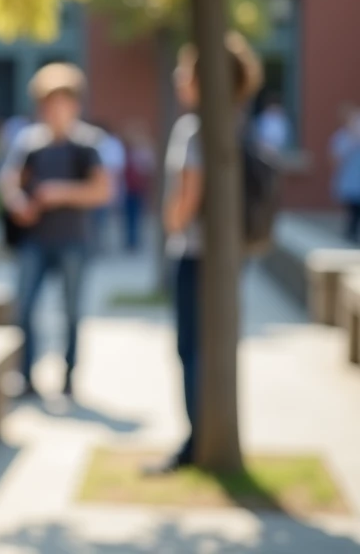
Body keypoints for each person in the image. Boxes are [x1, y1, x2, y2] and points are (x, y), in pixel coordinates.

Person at [152, 31, 262, 473]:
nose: (179, 76)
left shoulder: (194, 127)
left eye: (185, 70)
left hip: (195, 254)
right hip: (233, 256)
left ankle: (196, 442)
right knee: (216, 346)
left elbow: (184, 202)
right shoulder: (237, 122)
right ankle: (207, 437)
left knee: (190, 349)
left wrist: (171, 220)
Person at [0, 63, 112, 397]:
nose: (54, 110)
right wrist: (19, 202)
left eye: (61, 102)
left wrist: (59, 192)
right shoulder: (30, 143)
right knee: (24, 308)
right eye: (48, 103)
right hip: (34, 241)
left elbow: (103, 191)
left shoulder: (87, 145)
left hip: (73, 241)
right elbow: (10, 183)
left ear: (74, 104)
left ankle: (69, 377)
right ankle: (27, 377)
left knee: (72, 312)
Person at [92, 120, 126, 252]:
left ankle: (100, 246)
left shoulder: (110, 144)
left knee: (103, 220)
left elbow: (115, 169)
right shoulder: (97, 143)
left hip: (106, 188)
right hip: (97, 189)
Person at [122, 121, 156, 252]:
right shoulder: (127, 150)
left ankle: (135, 241)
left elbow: (149, 169)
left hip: (139, 189)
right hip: (129, 188)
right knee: (129, 216)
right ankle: (130, 240)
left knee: (137, 216)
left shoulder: (144, 150)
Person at [330, 103, 360, 244]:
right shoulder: (342, 137)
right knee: (353, 208)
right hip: (350, 179)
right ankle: (350, 233)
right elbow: (335, 158)